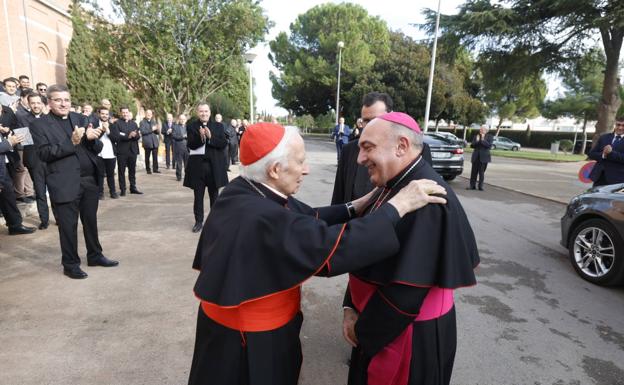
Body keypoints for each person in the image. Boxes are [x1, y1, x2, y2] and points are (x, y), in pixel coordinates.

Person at [188, 122, 448, 385]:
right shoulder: (262, 216)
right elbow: (328, 247)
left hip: (228, 333)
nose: (307, 169)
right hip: (249, 342)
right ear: (275, 170)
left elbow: (304, 217)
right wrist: (397, 207)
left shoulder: (245, 189)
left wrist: (354, 206)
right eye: (301, 161)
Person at [342, 112, 479, 385]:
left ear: (401, 146)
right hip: (378, 324)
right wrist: (350, 306)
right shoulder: (393, 184)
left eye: (368, 148)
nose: (359, 159)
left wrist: (362, 331)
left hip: (406, 337)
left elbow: (405, 295)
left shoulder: (427, 198)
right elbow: (366, 257)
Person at [30, 84, 119, 279]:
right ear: (49, 102)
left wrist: (94, 137)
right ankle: (70, 264)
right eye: (58, 100)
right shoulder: (39, 125)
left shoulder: (80, 118)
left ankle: (95, 255)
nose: (63, 104)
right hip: (63, 182)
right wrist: (72, 142)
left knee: (90, 221)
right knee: (68, 226)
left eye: (67, 100)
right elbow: (44, 154)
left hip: (89, 180)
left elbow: (95, 149)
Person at [331, 92, 433, 205]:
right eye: (365, 120)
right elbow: (338, 199)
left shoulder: (417, 149)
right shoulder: (349, 150)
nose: (369, 125)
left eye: (375, 120)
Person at [183, 103, 228, 233]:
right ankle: (198, 222)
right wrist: (200, 137)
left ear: (210, 112)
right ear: (198, 113)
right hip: (198, 168)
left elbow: (223, 144)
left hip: (214, 167)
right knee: (198, 197)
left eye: (206, 111)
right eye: (201, 111)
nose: (204, 113)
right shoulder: (192, 126)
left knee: (214, 196)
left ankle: (214, 222)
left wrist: (210, 137)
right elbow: (190, 145)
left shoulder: (218, 126)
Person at [18, 92, 51, 228]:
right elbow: (25, 140)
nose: (36, 105)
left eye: (38, 103)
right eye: (33, 103)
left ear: (42, 104)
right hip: (34, 160)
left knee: (55, 189)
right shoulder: (22, 118)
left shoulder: (50, 118)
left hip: (50, 158)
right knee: (40, 190)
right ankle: (44, 220)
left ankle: (60, 217)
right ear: (28, 103)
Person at [0, 127, 36, 235]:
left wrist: (10, 141)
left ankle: (15, 225)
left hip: (3, 168)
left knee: (8, 196)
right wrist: (9, 142)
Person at [110, 106, 143, 195]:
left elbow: (138, 136)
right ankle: (123, 189)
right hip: (122, 151)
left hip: (133, 150)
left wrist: (135, 135)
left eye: (126, 112)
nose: (125, 114)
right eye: (123, 112)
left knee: (132, 171)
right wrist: (128, 136)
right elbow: (117, 136)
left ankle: (133, 187)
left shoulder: (134, 123)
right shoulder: (117, 123)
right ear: (121, 113)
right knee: (121, 171)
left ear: (129, 112)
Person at [589, 116, 624, 186]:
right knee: (596, 197)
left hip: (619, 180)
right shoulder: (604, 137)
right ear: (615, 124)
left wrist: (611, 153)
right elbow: (591, 154)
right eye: (618, 125)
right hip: (599, 177)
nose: (620, 127)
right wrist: (603, 154)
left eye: (623, 125)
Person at [96, 106, 119, 199]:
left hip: (110, 154)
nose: (104, 116)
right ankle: (100, 193)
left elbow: (116, 138)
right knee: (100, 175)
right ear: (99, 114)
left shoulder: (113, 125)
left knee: (110, 174)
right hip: (99, 154)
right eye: (102, 114)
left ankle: (112, 192)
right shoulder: (95, 124)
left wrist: (108, 131)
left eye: (106, 114)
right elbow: (94, 138)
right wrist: (102, 130)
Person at [468, 125, 493, 191]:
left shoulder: (490, 137)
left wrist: (482, 140)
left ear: (486, 130)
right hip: (476, 156)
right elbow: (472, 145)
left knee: (481, 173)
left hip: (484, 158)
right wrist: (477, 141)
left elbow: (489, 146)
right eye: (480, 129)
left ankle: (480, 186)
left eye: (482, 129)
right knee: (473, 172)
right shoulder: (476, 136)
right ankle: (472, 186)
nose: (480, 130)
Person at [139, 109, 160, 174]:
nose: (149, 115)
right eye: (148, 113)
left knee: (155, 157)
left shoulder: (153, 121)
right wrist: (152, 129)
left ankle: (155, 169)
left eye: (150, 114)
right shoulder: (142, 122)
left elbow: (156, 132)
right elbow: (143, 132)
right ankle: (148, 169)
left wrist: (157, 130)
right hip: (147, 142)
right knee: (147, 157)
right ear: (145, 114)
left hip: (154, 142)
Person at [172, 113, 189, 181]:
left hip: (187, 147)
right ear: (179, 120)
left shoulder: (188, 127)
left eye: (184, 119)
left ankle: (187, 177)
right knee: (179, 163)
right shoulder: (175, 127)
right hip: (179, 147)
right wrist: (183, 136)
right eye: (181, 119)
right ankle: (178, 176)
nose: (182, 120)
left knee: (187, 164)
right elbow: (174, 136)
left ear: (186, 120)